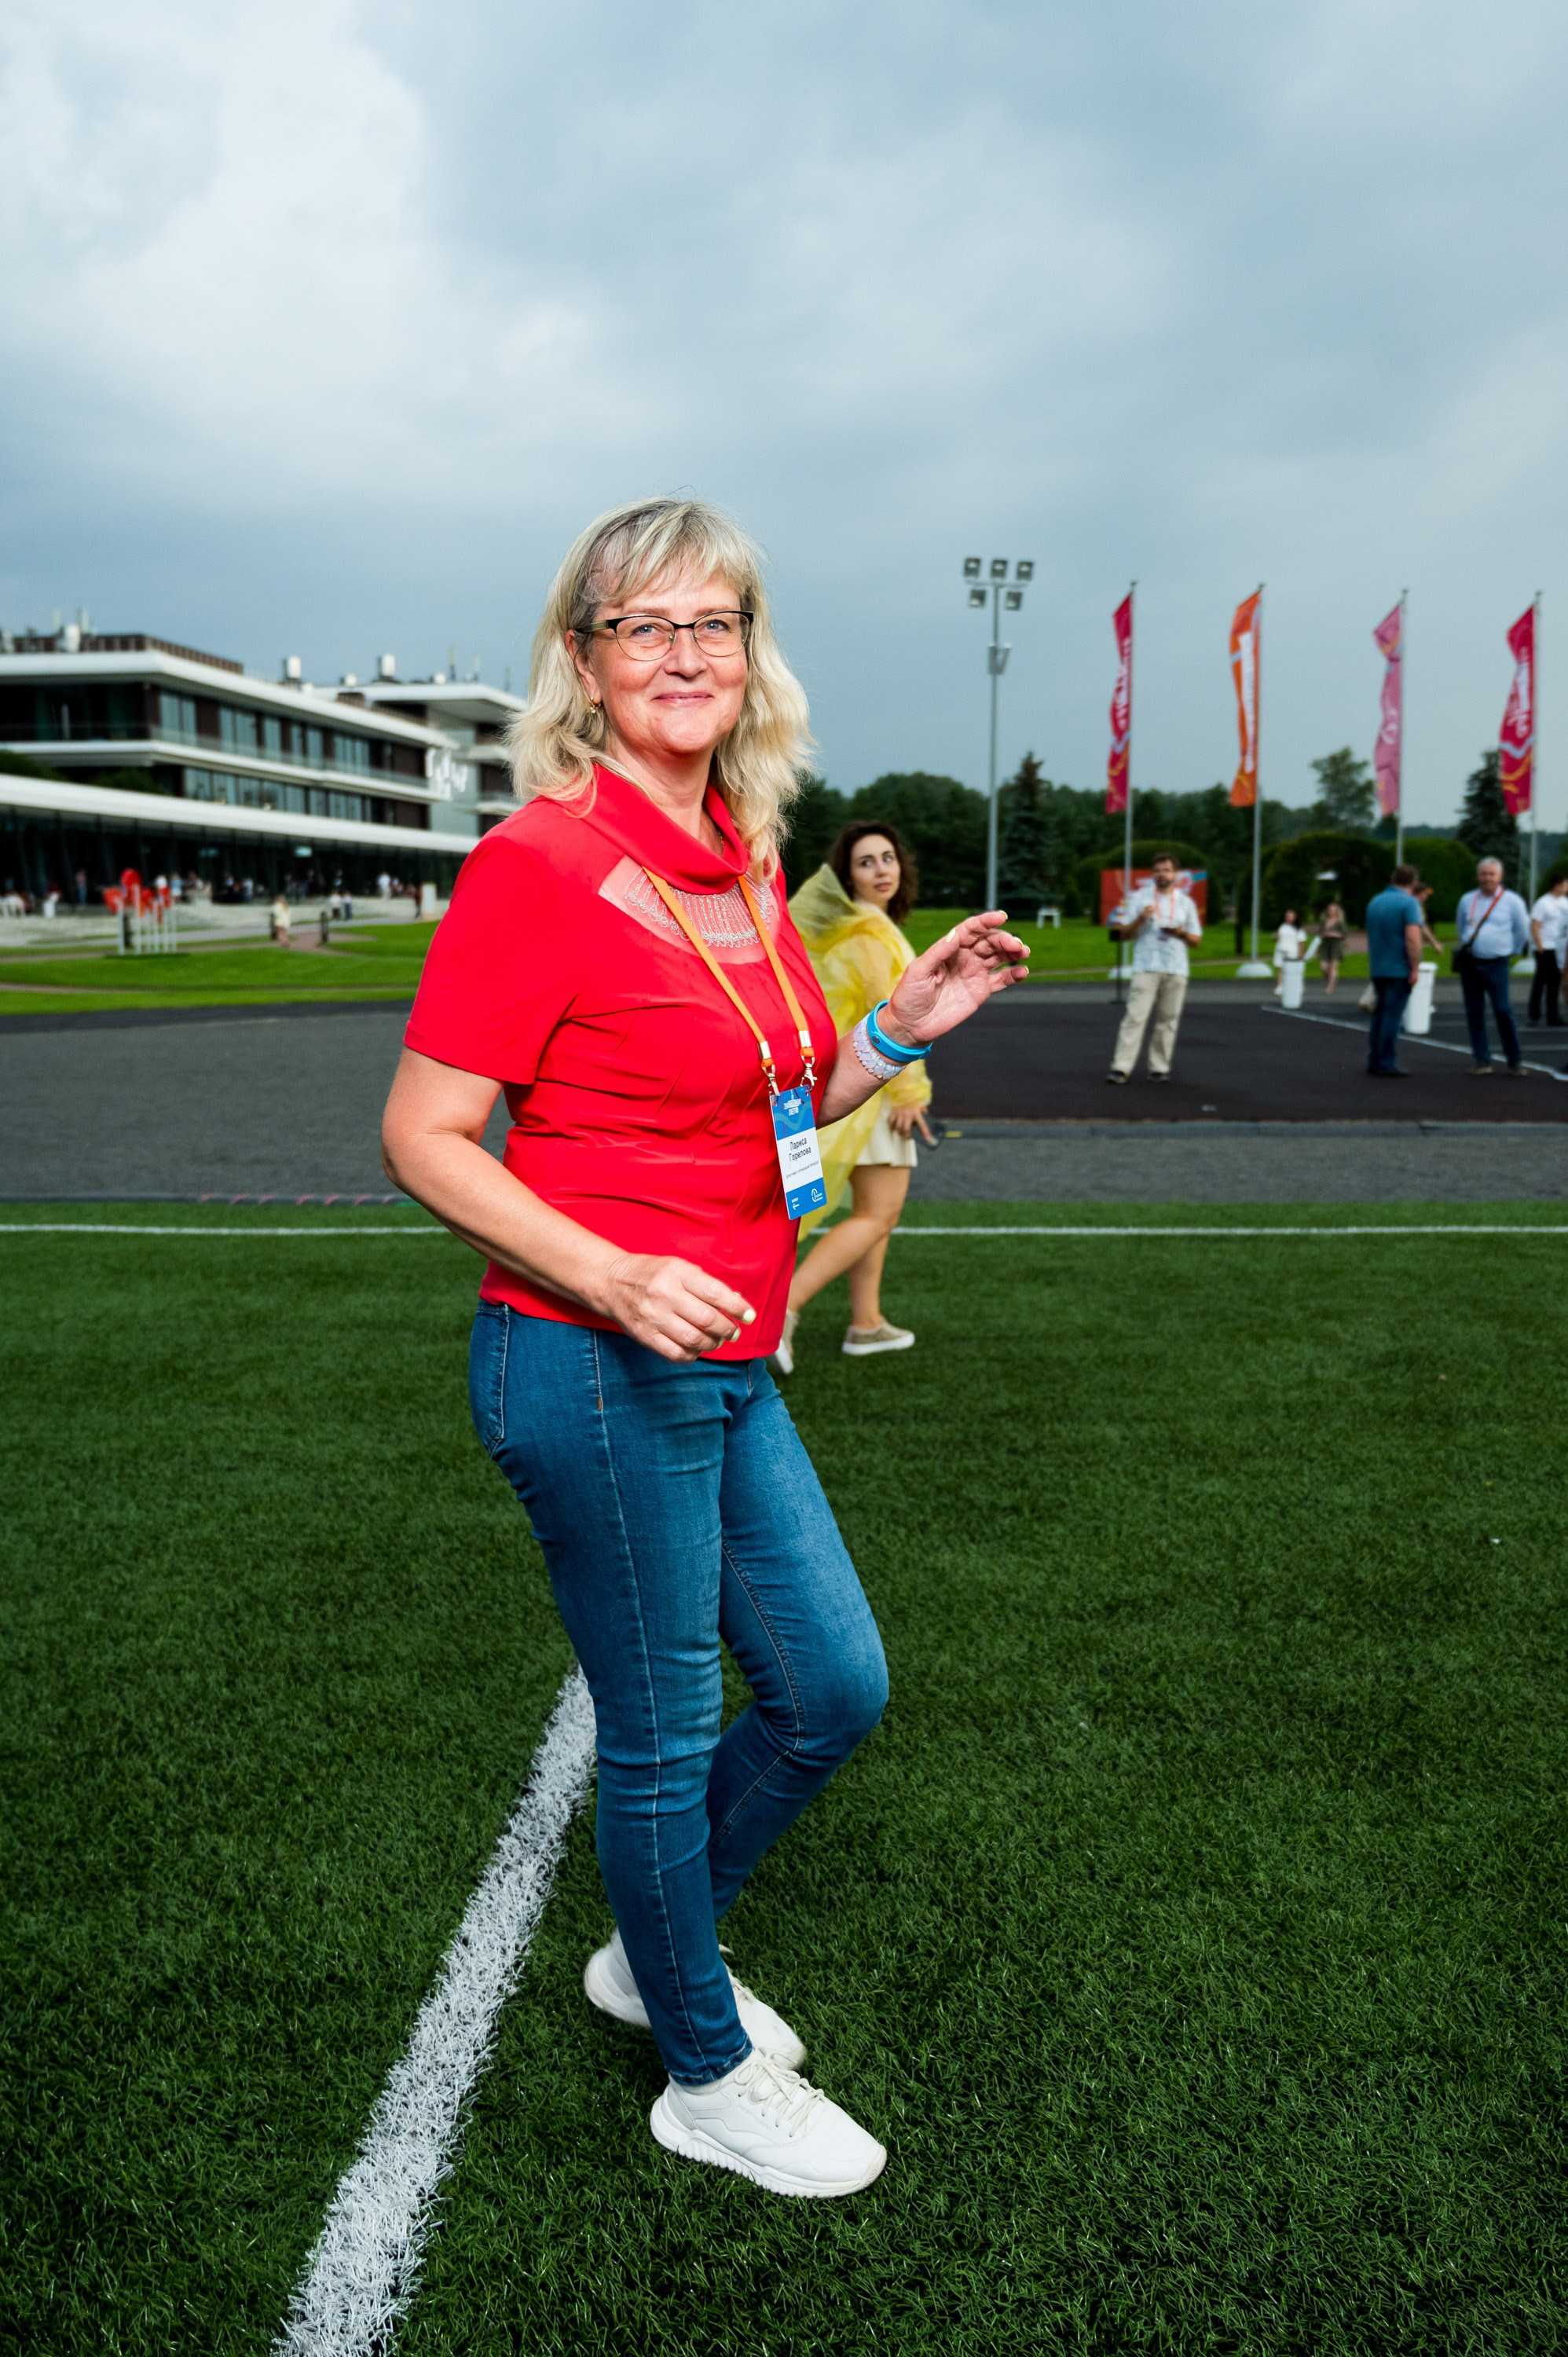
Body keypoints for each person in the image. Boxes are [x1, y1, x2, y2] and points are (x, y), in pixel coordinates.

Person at [379, 497, 1028, 2198]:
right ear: (584, 665)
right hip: (589, 1364)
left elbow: (766, 1109)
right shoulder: (538, 863)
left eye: (712, 624)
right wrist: (606, 1269)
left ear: (750, 657)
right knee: (665, 1730)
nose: (682, 654)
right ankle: (698, 2060)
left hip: (727, 1350)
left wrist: (897, 1027)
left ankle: (646, 1952)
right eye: (640, 626)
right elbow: (429, 1135)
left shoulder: (739, 853)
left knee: (829, 1688)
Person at [775, 823, 933, 1372]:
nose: (882, 869)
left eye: (888, 857)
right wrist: (912, 1091)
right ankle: (785, 1311)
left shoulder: (858, 929)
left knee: (872, 1212)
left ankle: (866, 1324)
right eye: (867, 862)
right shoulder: (869, 934)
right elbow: (893, 1017)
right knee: (881, 1215)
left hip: (862, 1089)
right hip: (878, 1094)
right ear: (848, 877)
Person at [1106, 852, 1203, 1083]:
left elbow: (1196, 940)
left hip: (1176, 966)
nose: (1163, 874)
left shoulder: (1185, 902)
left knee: (1168, 1019)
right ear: (1153, 874)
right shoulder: (1140, 898)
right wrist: (1140, 918)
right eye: (1158, 870)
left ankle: (1159, 1067)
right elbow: (1122, 934)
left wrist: (1179, 933)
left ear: (1176, 875)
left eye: (1167, 870)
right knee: (1135, 1017)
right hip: (1146, 965)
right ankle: (1121, 1067)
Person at [1455, 856, 1530, 1075]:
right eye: (1484, 874)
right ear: (1478, 876)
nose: (1487, 878)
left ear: (1500, 876)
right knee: (1474, 1011)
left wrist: (1511, 951)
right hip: (1471, 964)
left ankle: (1514, 1060)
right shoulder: (1467, 900)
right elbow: (1461, 928)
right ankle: (1482, 1060)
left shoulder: (1512, 901)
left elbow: (1521, 931)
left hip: (1497, 963)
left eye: (1492, 874)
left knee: (1502, 1010)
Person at [1362, 863, 1423, 1076]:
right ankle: (1386, 1061)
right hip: (1398, 968)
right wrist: (1415, 967)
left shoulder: (1375, 901)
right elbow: (1413, 938)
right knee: (1392, 1016)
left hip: (1378, 965)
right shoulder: (1409, 903)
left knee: (1379, 1015)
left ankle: (1375, 1058)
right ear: (1413, 882)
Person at [1527, 873, 1568, 1027]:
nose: (1566, 888)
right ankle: (1535, 1013)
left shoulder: (1565, 902)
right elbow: (1535, 924)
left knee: (1554, 983)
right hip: (1546, 947)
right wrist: (1540, 946)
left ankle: (1553, 1015)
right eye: (1565, 884)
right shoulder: (1543, 903)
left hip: (1559, 948)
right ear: (1557, 885)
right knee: (1541, 981)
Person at [1272, 907, 1305, 997]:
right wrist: (1275, 936)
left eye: (1291, 916)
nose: (1289, 918)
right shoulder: (1281, 926)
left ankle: (1298, 987)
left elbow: (1301, 942)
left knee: (1293, 971)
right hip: (1281, 950)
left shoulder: (1298, 929)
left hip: (1292, 951)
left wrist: (1301, 954)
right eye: (1287, 916)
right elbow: (1276, 938)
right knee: (1281, 969)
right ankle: (1280, 986)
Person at [1317, 899, 1347, 995]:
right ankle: (1330, 978)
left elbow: (1344, 934)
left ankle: (1330, 987)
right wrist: (1325, 934)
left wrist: (1335, 935)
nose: (1331, 912)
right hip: (1325, 945)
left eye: (1334, 910)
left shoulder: (1339, 922)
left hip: (1335, 946)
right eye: (1330, 910)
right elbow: (1320, 933)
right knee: (1324, 967)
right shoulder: (1324, 921)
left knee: (1334, 967)